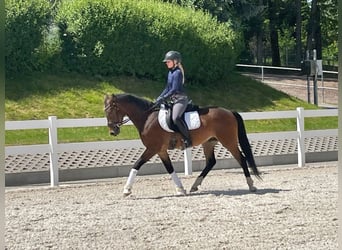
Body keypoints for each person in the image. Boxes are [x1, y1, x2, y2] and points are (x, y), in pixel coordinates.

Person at [156, 50, 192, 148]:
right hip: (173, 100)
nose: (166, 63)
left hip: (180, 100)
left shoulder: (178, 73)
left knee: (175, 118)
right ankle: (173, 138)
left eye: (168, 61)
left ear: (175, 61)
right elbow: (167, 88)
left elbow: (174, 89)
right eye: (166, 62)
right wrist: (160, 97)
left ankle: (187, 139)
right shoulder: (170, 73)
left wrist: (164, 97)